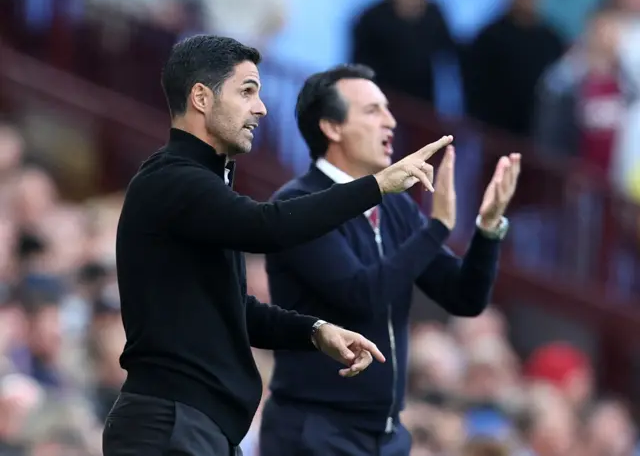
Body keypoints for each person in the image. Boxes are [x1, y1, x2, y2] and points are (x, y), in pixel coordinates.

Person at [102, 36, 454, 456]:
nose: (261, 108)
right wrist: (377, 186)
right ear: (200, 97)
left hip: (198, 428)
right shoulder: (172, 179)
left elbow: (236, 309)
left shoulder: (201, 187)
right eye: (247, 91)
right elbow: (266, 227)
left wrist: (315, 331)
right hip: (170, 425)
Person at [259, 64, 520, 456]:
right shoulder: (297, 204)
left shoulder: (396, 205)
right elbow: (360, 294)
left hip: (387, 435)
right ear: (332, 127)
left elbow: (464, 297)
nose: (391, 121)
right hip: (316, 431)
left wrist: (487, 227)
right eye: (372, 111)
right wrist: (437, 228)